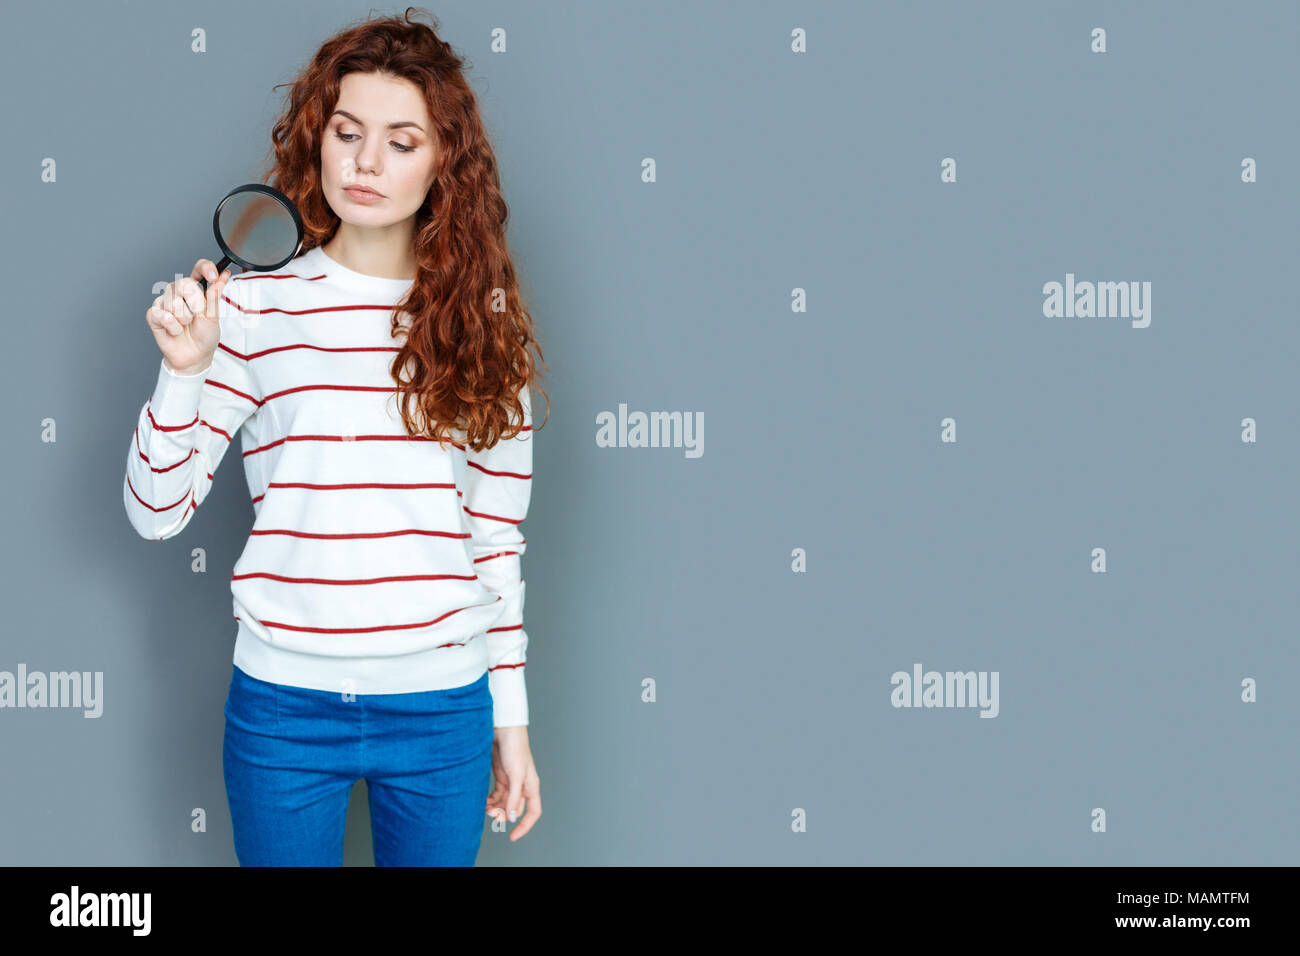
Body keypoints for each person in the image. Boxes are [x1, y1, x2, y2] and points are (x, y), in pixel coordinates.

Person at [122, 7, 548, 866]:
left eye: (402, 141)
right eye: (348, 132)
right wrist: (185, 369)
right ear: (318, 139)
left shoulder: (481, 325)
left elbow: (496, 541)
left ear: (444, 164)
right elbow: (155, 513)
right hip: (284, 705)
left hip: (441, 706)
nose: (365, 162)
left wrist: (512, 721)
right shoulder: (248, 309)